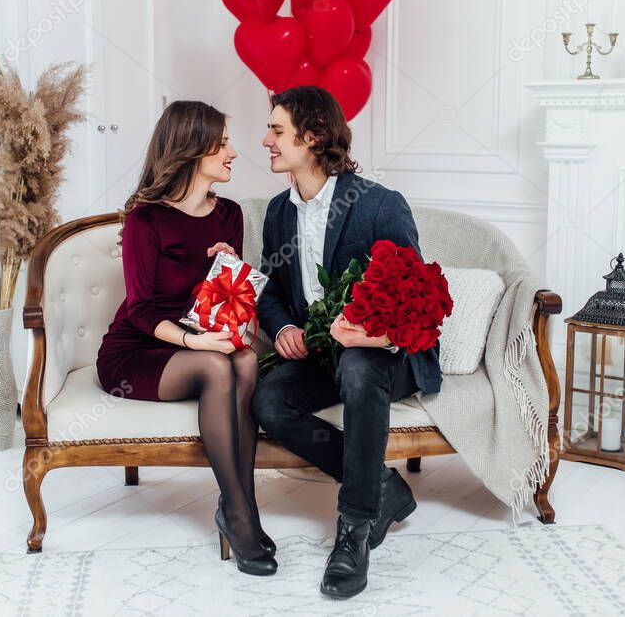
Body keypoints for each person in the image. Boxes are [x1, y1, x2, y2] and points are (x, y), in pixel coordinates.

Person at [252, 86, 442, 598]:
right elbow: (270, 289)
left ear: (312, 137)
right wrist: (286, 329)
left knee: (359, 365)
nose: (266, 139)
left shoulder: (379, 205)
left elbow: (416, 297)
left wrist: (366, 332)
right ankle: (383, 487)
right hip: (319, 352)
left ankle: (355, 529)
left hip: (383, 356)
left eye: (276, 129)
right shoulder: (277, 213)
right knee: (268, 399)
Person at [96, 101, 276, 576]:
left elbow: (217, 306)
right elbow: (138, 309)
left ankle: (243, 505)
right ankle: (238, 514)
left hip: (190, 339)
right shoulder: (146, 220)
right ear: (193, 150)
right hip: (136, 351)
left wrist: (223, 269)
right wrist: (197, 344)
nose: (234, 152)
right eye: (222, 144)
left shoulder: (230, 215)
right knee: (219, 365)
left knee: (246, 361)